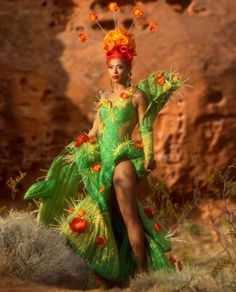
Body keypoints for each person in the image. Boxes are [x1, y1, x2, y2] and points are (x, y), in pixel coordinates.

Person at [24, 5, 182, 288]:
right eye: (111, 67)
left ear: (129, 65)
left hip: (122, 162)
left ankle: (142, 275)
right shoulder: (105, 99)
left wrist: (149, 156)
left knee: (127, 215)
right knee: (98, 217)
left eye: (120, 66)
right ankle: (112, 273)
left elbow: (145, 128)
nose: (115, 71)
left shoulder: (137, 96)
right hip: (102, 164)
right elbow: (94, 132)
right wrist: (77, 151)